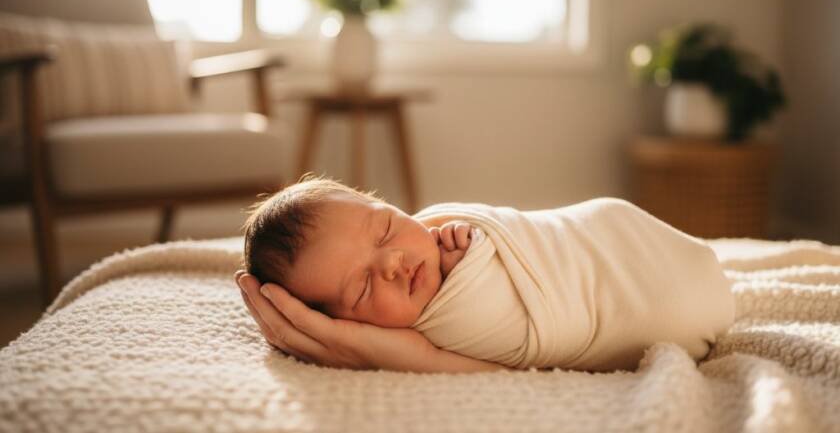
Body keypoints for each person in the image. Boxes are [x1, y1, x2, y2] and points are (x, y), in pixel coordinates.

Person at [237, 176, 734, 373]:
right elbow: (494, 366)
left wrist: (477, 251)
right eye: (363, 286)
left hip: (617, 236)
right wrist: (468, 282)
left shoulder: (440, 232)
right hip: (672, 304)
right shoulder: (438, 330)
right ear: (346, 323)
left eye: (385, 228)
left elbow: (526, 235)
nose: (393, 263)